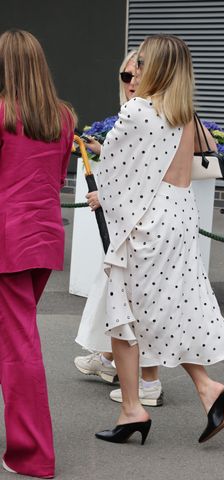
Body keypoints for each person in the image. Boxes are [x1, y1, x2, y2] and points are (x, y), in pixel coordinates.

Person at [85, 34, 224, 445]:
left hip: (146, 221)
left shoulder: (137, 110)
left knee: (124, 314)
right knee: (174, 306)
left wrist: (102, 196)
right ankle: (209, 389)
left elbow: (118, 173)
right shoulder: (182, 112)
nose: (134, 69)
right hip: (179, 216)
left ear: (154, 66)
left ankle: (133, 409)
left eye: (140, 62)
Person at [0, 29, 76, 477]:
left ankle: (32, 455)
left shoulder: (4, 114)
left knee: (18, 345)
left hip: (7, 240)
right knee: (13, 337)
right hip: (43, 237)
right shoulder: (63, 118)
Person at [74, 50, 163, 406]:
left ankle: (152, 386)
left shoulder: (141, 112)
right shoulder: (157, 112)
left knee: (137, 303)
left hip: (140, 225)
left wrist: (106, 196)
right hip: (146, 222)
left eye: (136, 74)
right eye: (124, 76)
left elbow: (141, 174)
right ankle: (112, 362)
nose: (130, 83)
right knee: (120, 299)